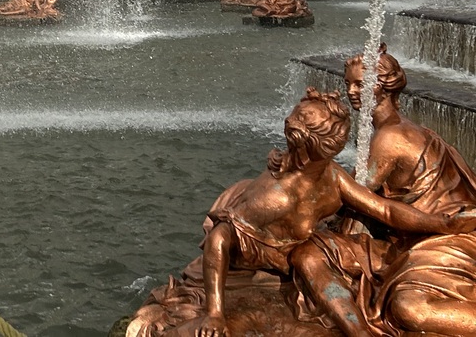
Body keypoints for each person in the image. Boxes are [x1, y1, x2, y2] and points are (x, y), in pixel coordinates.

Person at [196, 87, 476, 337]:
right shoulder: (278, 198)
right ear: (314, 142)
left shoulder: (333, 175)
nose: (343, 139)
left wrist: (441, 223)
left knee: (310, 256)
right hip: (260, 251)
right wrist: (215, 312)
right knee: (307, 257)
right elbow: (219, 238)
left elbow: (386, 211)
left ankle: (359, 329)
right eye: (335, 136)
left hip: (301, 249)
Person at [291, 47, 476, 336]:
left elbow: (347, 197)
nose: (351, 91)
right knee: (310, 254)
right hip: (406, 236)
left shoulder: (391, 137)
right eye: (348, 84)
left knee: (409, 309)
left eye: (360, 84)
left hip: (444, 239)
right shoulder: (392, 130)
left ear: (383, 86)